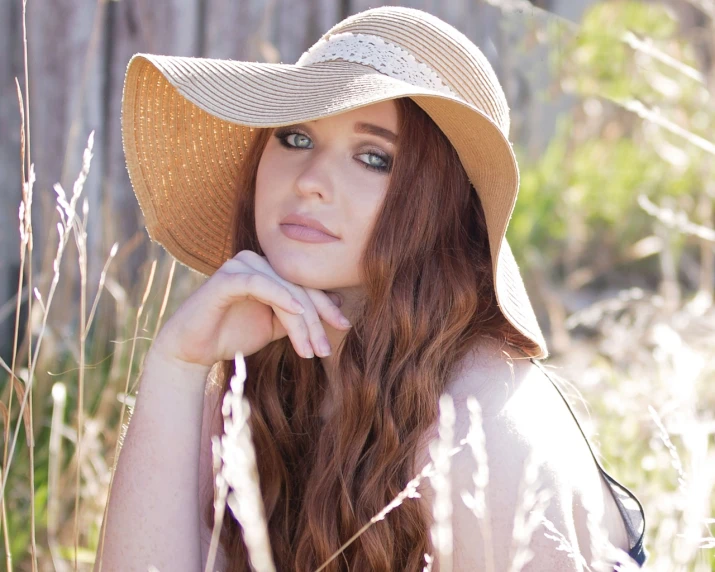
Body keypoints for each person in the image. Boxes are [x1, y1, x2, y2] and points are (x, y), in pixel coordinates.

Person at [96, 6, 646, 572]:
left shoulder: (479, 431)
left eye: (374, 158)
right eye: (295, 136)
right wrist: (176, 366)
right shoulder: (260, 384)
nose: (310, 182)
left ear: (440, 209)